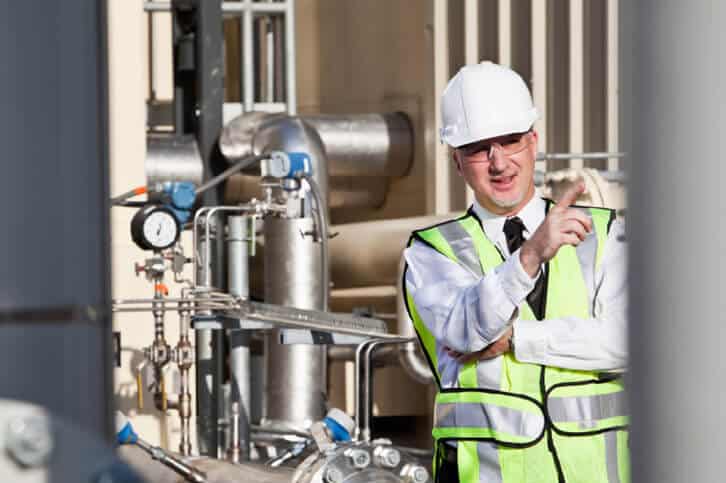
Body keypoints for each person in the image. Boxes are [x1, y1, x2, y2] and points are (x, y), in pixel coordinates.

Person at [402, 61, 628, 483]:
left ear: (534, 142)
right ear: (457, 161)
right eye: (478, 148)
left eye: (510, 141)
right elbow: (466, 332)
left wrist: (518, 340)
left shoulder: (602, 232)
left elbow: (629, 342)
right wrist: (530, 256)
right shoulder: (432, 252)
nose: (498, 162)